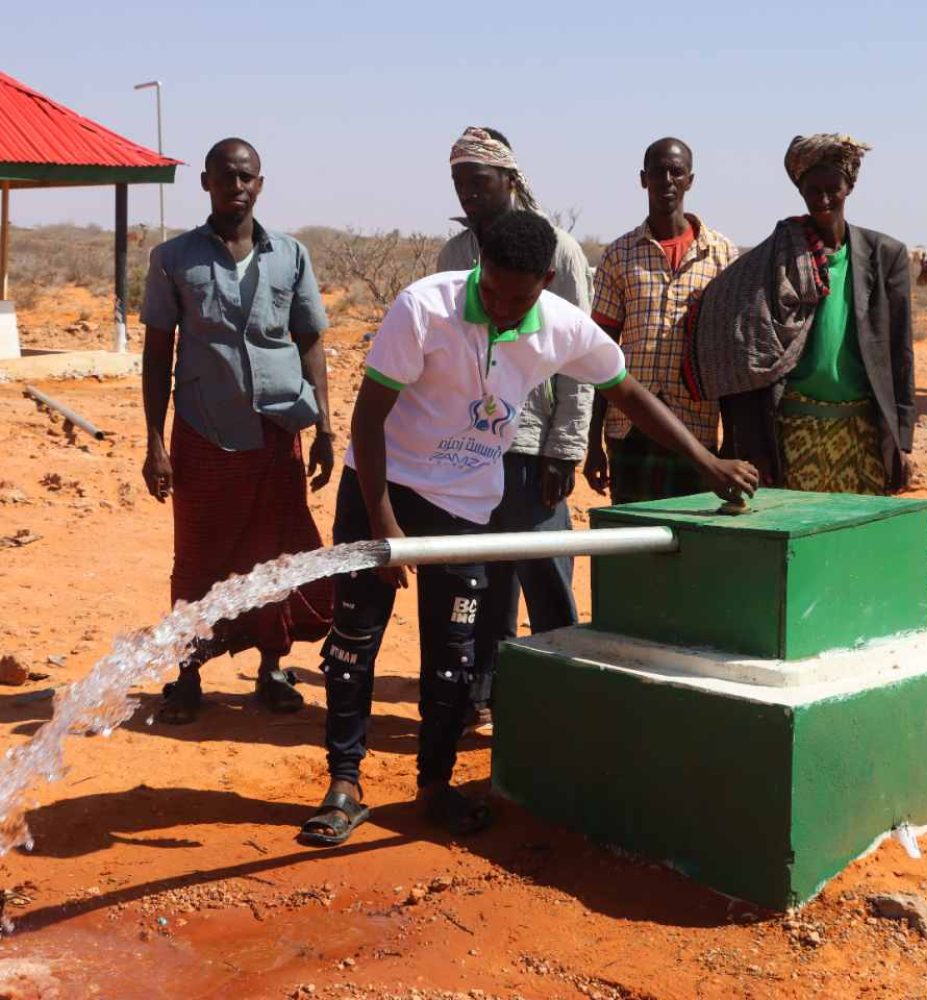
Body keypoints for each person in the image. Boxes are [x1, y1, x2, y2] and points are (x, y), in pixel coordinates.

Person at [299, 211, 758, 847]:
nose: (503, 309)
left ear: (546, 280)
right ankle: (344, 783)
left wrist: (706, 464)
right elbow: (369, 417)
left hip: (466, 505)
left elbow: (628, 393)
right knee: (355, 639)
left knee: (454, 651)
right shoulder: (424, 308)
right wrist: (383, 523)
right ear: (478, 265)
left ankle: (435, 785)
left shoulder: (562, 325)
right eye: (490, 292)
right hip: (383, 486)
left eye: (519, 298)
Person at [140, 137, 336, 724]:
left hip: (279, 431)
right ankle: (188, 671)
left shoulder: (291, 255)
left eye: (248, 177)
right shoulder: (173, 260)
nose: (238, 187)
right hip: (204, 432)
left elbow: (312, 341)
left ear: (261, 183)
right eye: (226, 177)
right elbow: (157, 353)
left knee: (276, 555)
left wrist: (326, 426)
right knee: (198, 554)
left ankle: (272, 668)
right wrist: (153, 441)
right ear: (205, 183)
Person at [437, 126, 593, 723]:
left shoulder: (561, 250)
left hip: (534, 441)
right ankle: (486, 693)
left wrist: (566, 445)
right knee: (481, 579)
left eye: (478, 181)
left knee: (546, 572)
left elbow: (582, 357)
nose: (468, 194)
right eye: (458, 182)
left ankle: (565, 697)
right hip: (470, 446)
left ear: (509, 179)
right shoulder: (453, 257)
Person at [683, 133, 914, 494]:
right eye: (812, 190)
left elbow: (900, 354)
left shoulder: (886, 255)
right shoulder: (776, 258)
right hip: (793, 430)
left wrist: (903, 440)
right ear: (801, 191)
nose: (822, 199)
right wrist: (752, 444)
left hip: (866, 430)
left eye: (831, 188)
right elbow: (745, 349)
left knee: (856, 540)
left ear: (848, 187)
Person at [585, 137, 738, 504]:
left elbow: (731, 358)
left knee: (689, 544)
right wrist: (593, 443)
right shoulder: (620, 255)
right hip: (628, 429)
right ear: (643, 179)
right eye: (658, 171)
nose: (667, 180)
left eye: (676, 171)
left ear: (690, 180)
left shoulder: (720, 255)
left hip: (696, 426)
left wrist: (731, 439)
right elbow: (599, 354)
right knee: (633, 542)